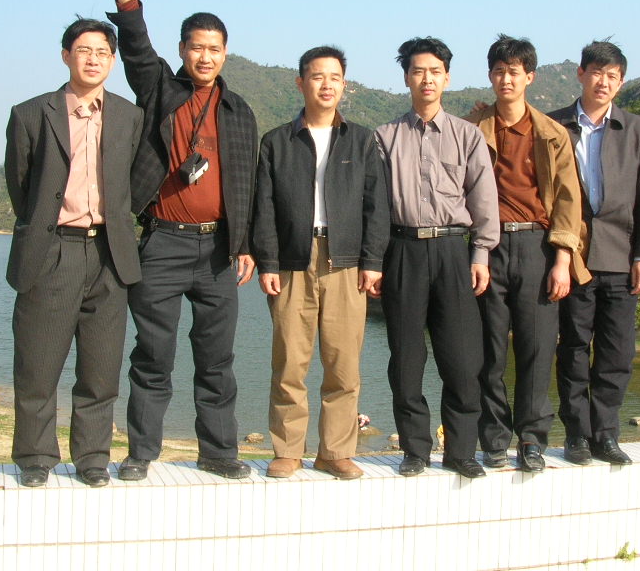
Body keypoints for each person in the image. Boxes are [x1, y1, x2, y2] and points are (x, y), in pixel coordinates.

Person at [103, 0, 258, 480]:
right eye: (196, 47)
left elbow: (248, 184)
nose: (205, 56)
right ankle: (141, 453)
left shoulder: (239, 111)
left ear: (225, 53)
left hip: (218, 250)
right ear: (183, 51)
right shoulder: (161, 91)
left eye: (214, 49)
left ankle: (218, 452)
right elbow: (136, 47)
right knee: (153, 354)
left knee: (217, 360)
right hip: (163, 243)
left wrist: (246, 245)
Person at [5, 18, 143, 488]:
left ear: (113, 60)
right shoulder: (31, 113)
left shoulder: (128, 116)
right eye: (84, 50)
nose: (92, 59)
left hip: (109, 253)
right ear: (66, 55)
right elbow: (21, 186)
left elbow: (133, 181)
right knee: (38, 364)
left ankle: (92, 458)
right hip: (52, 251)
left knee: (101, 369)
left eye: (102, 52)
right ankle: (35, 457)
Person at [251, 46, 390, 480]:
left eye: (334, 77)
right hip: (293, 259)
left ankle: (335, 451)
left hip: (345, 259)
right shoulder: (277, 141)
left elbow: (376, 206)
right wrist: (268, 262)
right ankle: (288, 450)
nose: (326, 85)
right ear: (301, 83)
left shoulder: (362, 140)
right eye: (317, 76)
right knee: (290, 362)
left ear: (344, 85)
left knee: (343, 363)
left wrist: (373, 260)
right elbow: (264, 208)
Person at [375, 37, 500, 479]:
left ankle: (461, 451)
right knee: (406, 359)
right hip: (402, 250)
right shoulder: (384, 137)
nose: (426, 79)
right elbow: (375, 206)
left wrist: (480, 253)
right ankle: (414, 449)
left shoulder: (468, 136)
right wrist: (375, 261)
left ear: (446, 78)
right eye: (418, 71)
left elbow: (483, 199)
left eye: (434, 71)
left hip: (452, 251)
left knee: (462, 360)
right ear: (406, 78)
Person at [465, 35, 590, 473]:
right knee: (489, 350)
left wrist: (562, 261)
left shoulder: (552, 134)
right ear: (490, 76)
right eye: (499, 71)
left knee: (537, 350)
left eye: (514, 72)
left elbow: (569, 201)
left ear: (530, 77)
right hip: (488, 247)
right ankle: (494, 440)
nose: (506, 79)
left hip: (537, 246)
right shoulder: (471, 129)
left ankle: (533, 440)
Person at [548, 41, 640, 466]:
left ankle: (606, 434)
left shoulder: (636, 130)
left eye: (612, 76)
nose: (603, 82)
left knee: (617, 351)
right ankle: (576, 434)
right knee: (574, 348)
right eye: (597, 72)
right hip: (572, 257)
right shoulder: (555, 125)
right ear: (581, 74)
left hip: (620, 255)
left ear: (621, 82)